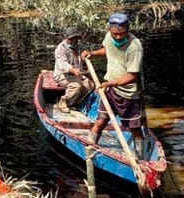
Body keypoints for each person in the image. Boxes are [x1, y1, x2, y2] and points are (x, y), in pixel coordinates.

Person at [81, 12, 147, 158]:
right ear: (110, 30)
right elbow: (108, 50)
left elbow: (132, 76)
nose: (118, 37)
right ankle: (90, 150)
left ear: (128, 30)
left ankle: (140, 159)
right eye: (115, 33)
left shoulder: (134, 47)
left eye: (122, 34)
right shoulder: (109, 37)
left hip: (128, 94)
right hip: (110, 90)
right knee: (100, 121)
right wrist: (93, 53)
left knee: (134, 128)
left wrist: (112, 83)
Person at [53, 26, 94, 113]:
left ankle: (74, 103)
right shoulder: (61, 49)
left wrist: (87, 54)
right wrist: (73, 70)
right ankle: (63, 102)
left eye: (75, 38)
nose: (74, 40)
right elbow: (62, 64)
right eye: (71, 38)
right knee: (76, 85)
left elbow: (84, 57)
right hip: (63, 75)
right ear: (67, 38)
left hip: (77, 74)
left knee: (89, 85)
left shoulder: (79, 47)